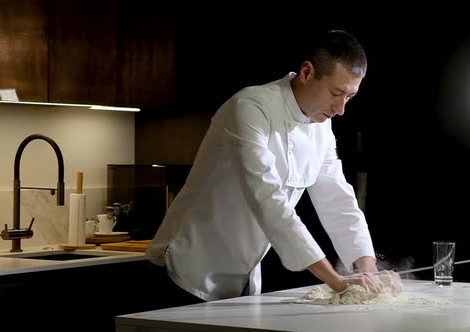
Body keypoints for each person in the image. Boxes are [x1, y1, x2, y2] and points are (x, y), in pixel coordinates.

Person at [146, 29, 400, 303]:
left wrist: (367, 268)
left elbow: (337, 198)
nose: (341, 109)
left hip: (243, 278)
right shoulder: (250, 107)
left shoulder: (321, 126)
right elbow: (268, 199)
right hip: (187, 269)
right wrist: (337, 282)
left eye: (349, 97)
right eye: (336, 93)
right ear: (306, 72)